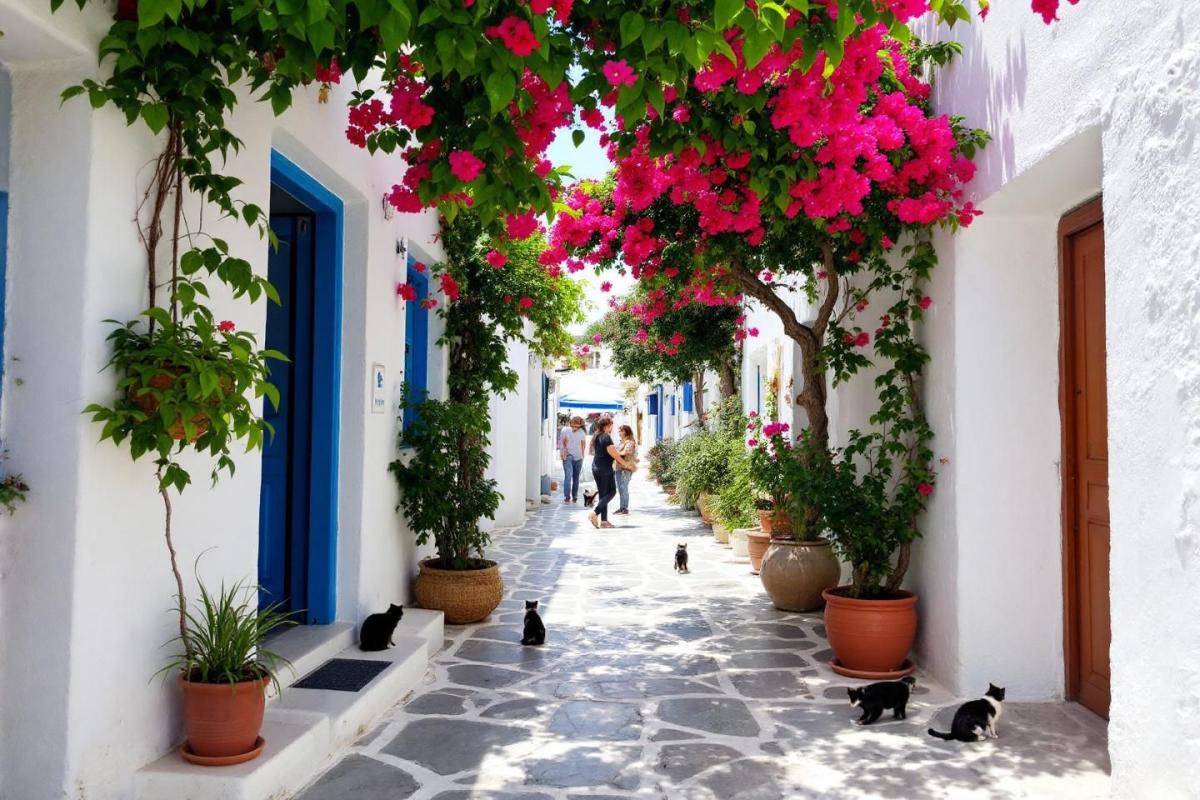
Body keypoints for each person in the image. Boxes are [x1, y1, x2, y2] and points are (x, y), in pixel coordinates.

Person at [588, 417, 632, 529]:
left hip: (596, 467)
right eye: (610, 425)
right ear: (606, 425)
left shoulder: (596, 435)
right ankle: (595, 513)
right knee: (612, 492)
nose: (611, 427)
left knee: (603, 495)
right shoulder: (606, 437)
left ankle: (604, 521)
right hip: (605, 469)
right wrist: (625, 464)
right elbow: (615, 454)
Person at [558, 416, 586, 503]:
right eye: (574, 426)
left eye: (577, 427)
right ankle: (567, 496)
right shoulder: (565, 430)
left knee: (576, 477)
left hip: (578, 457)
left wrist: (582, 456)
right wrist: (562, 454)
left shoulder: (582, 432)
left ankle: (575, 496)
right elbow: (561, 442)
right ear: (571, 423)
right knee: (568, 476)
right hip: (568, 455)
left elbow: (583, 445)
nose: (575, 428)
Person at [614, 425, 638, 515]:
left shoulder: (630, 442)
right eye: (619, 431)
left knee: (624, 487)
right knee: (620, 488)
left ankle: (625, 508)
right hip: (618, 467)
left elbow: (627, 452)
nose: (619, 433)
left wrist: (615, 453)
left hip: (626, 467)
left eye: (621, 431)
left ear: (626, 432)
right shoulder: (621, 442)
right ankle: (622, 507)